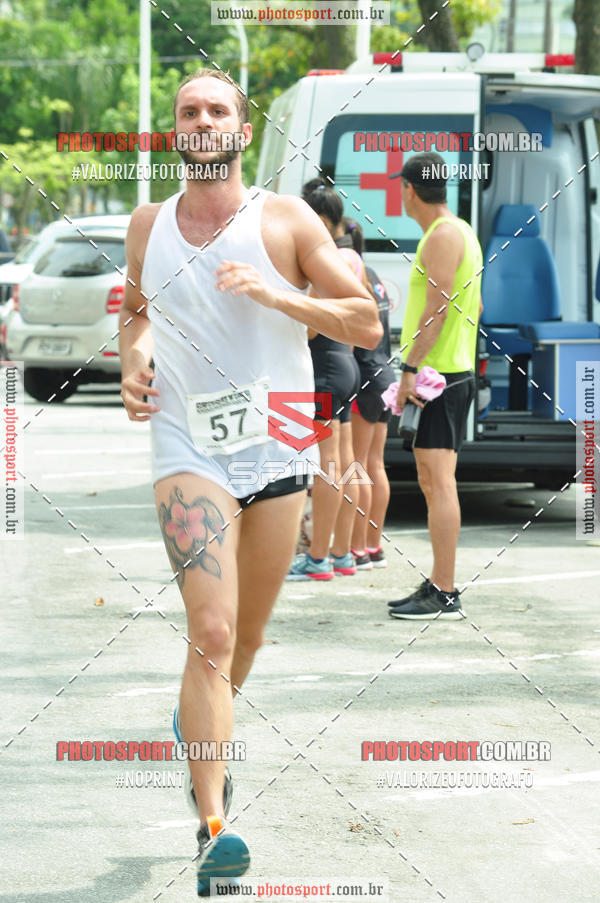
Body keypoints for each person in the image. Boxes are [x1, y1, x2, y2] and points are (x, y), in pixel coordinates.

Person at [119, 68, 382, 894]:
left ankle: (198, 718)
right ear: (176, 131)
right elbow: (135, 312)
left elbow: (365, 320)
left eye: (217, 110)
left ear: (240, 130)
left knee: (248, 640)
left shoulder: (286, 219)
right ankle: (214, 823)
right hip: (187, 448)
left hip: (278, 445)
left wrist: (278, 293)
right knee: (214, 631)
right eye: (188, 111)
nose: (202, 120)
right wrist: (134, 363)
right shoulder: (148, 225)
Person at [386, 151, 483, 620]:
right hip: (448, 373)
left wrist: (410, 368)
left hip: (439, 377)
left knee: (438, 483)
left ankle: (445, 590)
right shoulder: (460, 231)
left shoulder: (443, 236)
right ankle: (439, 581)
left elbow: (438, 310)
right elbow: (475, 308)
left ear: (409, 189)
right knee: (432, 481)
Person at [286, 180, 366, 581]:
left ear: (318, 219)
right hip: (346, 364)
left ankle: (317, 559)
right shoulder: (353, 258)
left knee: (326, 468)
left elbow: (312, 326)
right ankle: (342, 553)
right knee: (346, 465)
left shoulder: (327, 261)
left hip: (324, 368)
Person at [339, 218, 394, 570]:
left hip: (364, 377)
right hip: (385, 375)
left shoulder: (351, 275)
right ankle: (374, 546)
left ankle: (357, 549)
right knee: (375, 463)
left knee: (356, 466)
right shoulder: (373, 275)